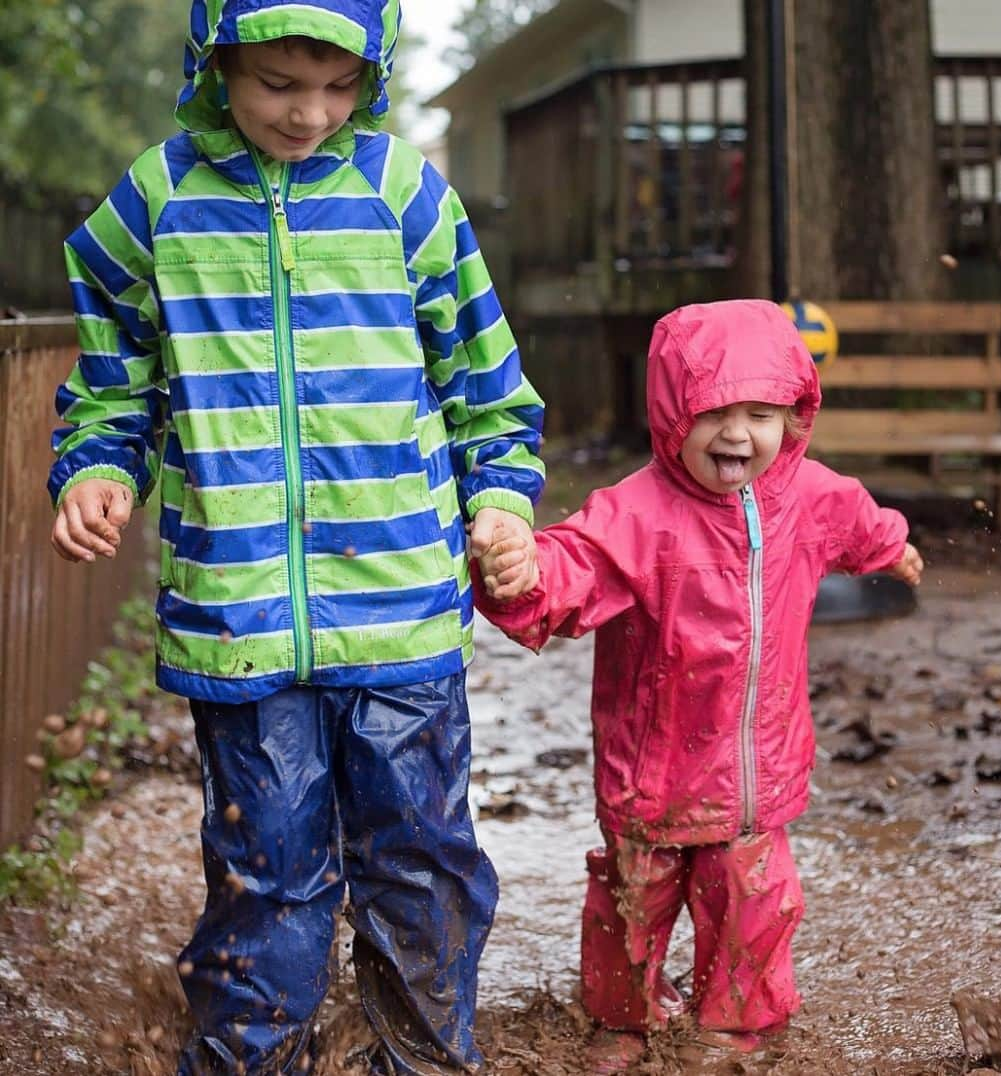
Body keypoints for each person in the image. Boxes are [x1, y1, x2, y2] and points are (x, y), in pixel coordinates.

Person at [47, 2, 544, 1073]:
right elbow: (109, 386)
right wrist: (96, 468)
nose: (309, 113)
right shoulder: (159, 200)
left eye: (336, 85)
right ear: (215, 61)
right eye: (277, 82)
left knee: (420, 862)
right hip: (243, 627)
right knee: (265, 871)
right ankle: (250, 1061)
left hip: (402, 612)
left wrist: (501, 501)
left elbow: (488, 391)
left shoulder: (401, 193)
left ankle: (420, 1058)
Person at [472, 300, 923, 1071]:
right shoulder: (638, 514)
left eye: (760, 413)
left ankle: (733, 1026)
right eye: (714, 412)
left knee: (753, 906)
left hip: (756, 777)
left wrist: (891, 547)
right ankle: (625, 1019)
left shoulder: (807, 495)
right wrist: (523, 575)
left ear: (794, 415)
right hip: (653, 777)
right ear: (673, 414)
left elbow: (856, 518)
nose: (738, 433)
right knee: (631, 908)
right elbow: (572, 569)